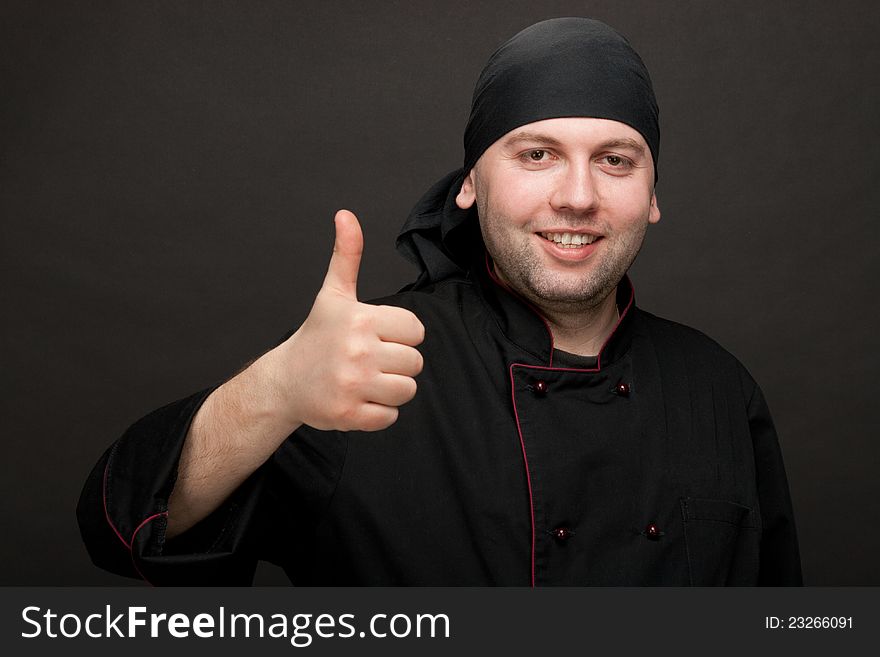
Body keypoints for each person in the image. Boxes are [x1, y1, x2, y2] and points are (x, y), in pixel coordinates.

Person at [78, 17, 802, 586]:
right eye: (536, 153)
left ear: (650, 196)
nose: (578, 196)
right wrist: (276, 389)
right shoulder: (369, 363)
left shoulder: (718, 389)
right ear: (469, 184)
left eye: (615, 159)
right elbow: (122, 524)